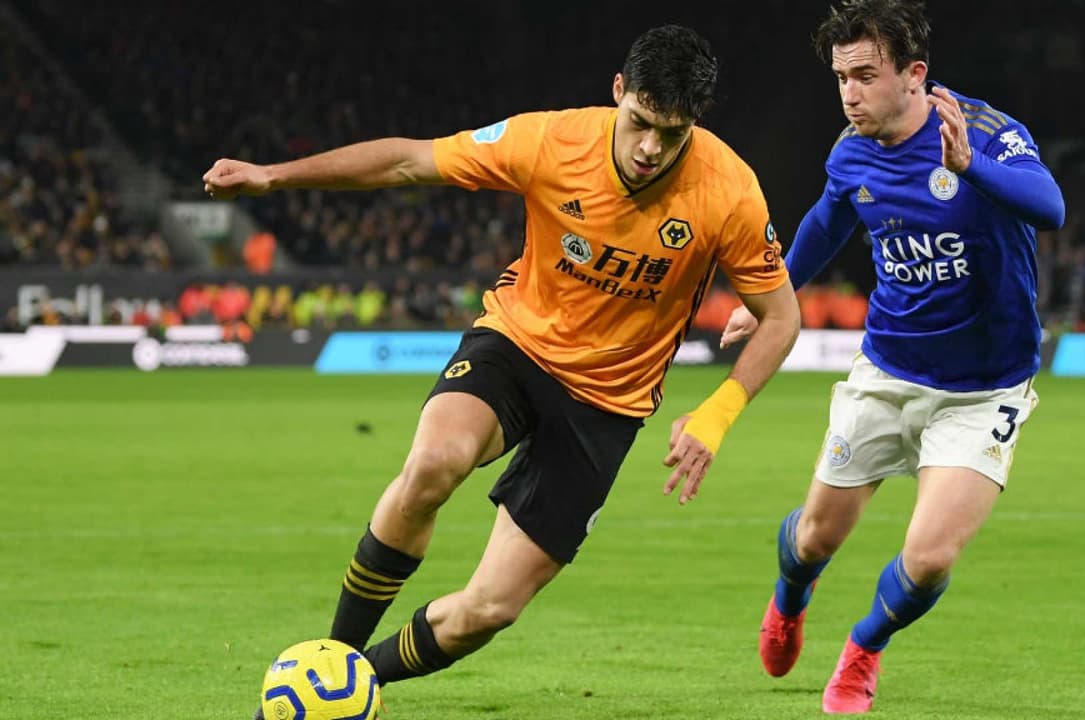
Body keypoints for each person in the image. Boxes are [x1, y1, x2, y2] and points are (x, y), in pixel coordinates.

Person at [203, 24, 801, 713]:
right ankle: (329, 663)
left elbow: (781, 317)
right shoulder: (550, 141)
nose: (649, 149)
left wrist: (717, 414)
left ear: (696, 123)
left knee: (489, 609)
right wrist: (273, 176)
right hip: (516, 346)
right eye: (640, 122)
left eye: (671, 135)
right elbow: (409, 162)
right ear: (618, 92)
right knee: (433, 464)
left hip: (608, 404)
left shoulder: (728, 190)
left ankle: (351, 681)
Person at [720, 0, 1065, 713]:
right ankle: (790, 598)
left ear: (914, 74)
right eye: (841, 78)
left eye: (865, 76)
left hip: (984, 390)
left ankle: (865, 646)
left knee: (930, 558)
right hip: (887, 374)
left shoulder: (984, 132)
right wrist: (770, 298)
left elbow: (1049, 206)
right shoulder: (852, 151)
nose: (849, 94)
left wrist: (970, 167)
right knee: (814, 539)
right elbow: (826, 221)